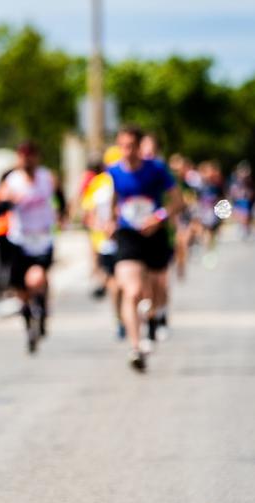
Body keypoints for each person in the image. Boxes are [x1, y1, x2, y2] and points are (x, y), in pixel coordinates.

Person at [107, 125, 182, 372]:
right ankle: (135, 347)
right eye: (122, 146)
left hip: (155, 234)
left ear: (140, 146)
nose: (126, 151)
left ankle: (155, 317)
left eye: (131, 146)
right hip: (129, 235)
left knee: (158, 289)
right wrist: (109, 222)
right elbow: (113, 202)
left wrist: (159, 218)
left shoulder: (157, 169)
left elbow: (176, 201)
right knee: (132, 291)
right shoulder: (114, 172)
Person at [0, 141, 59, 353]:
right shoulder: (12, 181)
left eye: (30, 156)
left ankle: (41, 309)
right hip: (20, 240)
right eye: (23, 157)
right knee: (21, 289)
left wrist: (62, 215)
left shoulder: (47, 177)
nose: (27, 161)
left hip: (43, 238)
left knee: (37, 278)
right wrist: (9, 201)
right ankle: (29, 324)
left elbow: (59, 197)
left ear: (37, 157)